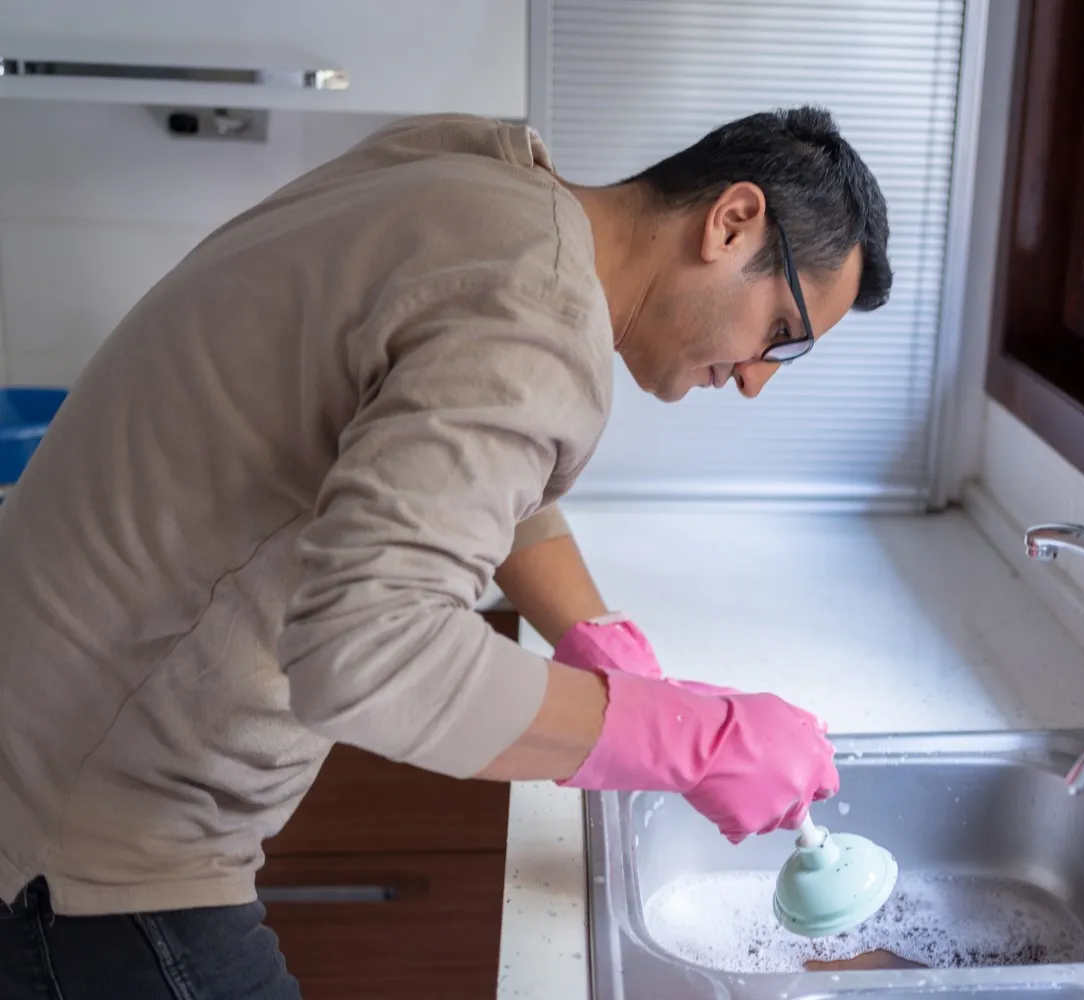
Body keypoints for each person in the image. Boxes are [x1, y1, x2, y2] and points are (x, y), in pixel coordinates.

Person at [0, 106, 892, 998]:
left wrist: (596, 639)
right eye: (783, 332)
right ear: (732, 222)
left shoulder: (474, 177)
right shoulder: (539, 311)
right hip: (86, 848)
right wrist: (693, 742)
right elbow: (368, 655)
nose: (755, 381)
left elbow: (429, 439)